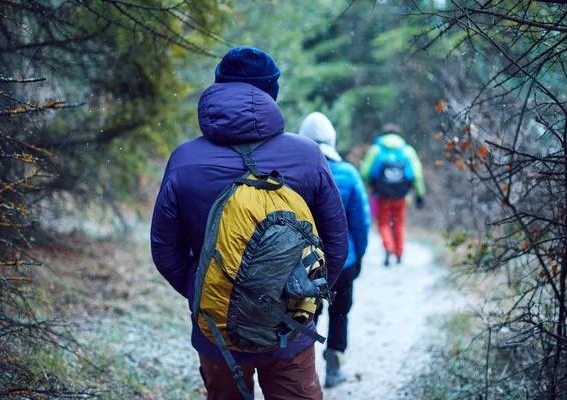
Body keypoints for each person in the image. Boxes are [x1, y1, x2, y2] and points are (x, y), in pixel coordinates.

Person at [150, 47, 349, 400]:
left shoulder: (184, 160)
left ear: (217, 88)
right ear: (271, 93)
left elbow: (166, 250)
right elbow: (335, 240)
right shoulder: (307, 155)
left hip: (216, 329)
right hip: (290, 326)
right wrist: (303, 297)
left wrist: (207, 292)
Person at [298, 112, 370, 388]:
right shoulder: (349, 174)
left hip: (304, 264)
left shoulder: (294, 174)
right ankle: (334, 367)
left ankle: (303, 374)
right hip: (344, 262)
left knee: (304, 315)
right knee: (340, 312)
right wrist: (359, 254)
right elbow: (360, 222)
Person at [360, 124, 425, 266]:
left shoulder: (376, 149)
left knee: (383, 222)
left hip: (381, 194)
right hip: (402, 195)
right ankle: (399, 253)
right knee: (399, 223)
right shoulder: (407, 150)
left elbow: (364, 172)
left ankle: (388, 247)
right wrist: (420, 194)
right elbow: (417, 173)